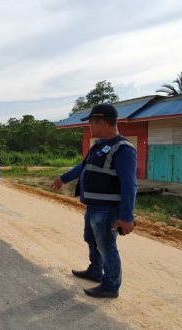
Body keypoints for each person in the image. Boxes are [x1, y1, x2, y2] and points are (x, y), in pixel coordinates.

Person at [50, 104, 137, 299]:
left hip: (108, 210)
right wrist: (63, 178)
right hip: (93, 207)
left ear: (102, 122)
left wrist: (126, 216)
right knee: (91, 240)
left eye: (91, 122)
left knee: (106, 246)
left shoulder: (123, 149)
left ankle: (111, 286)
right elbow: (83, 167)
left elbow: (129, 185)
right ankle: (95, 271)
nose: (89, 126)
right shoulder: (98, 146)